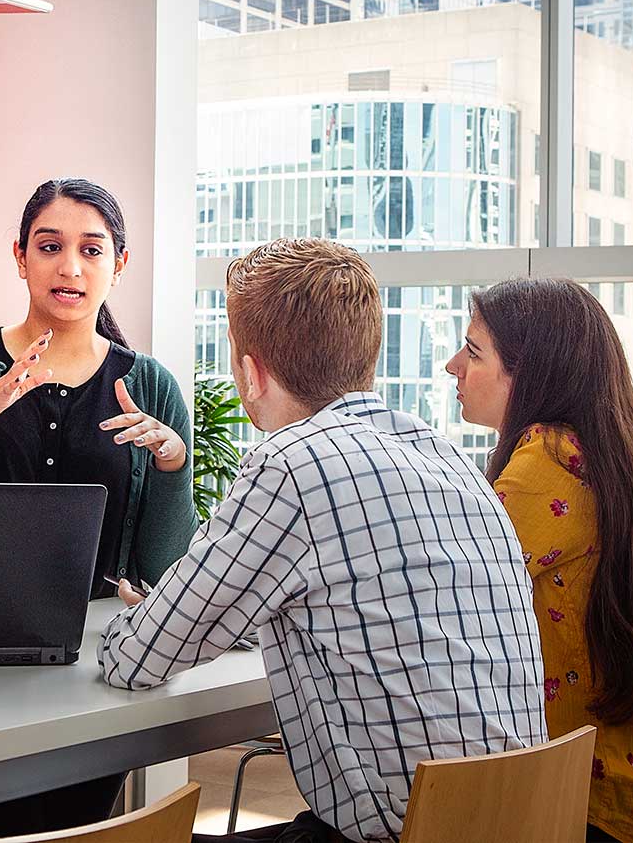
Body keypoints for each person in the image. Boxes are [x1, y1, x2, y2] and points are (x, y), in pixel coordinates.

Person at [101, 237, 547, 843]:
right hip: (515, 823)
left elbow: (137, 658)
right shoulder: (448, 458)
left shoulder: (290, 464)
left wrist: (152, 616)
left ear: (252, 372)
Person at [0, 178, 198, 835]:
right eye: (50, 246)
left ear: (119, 263)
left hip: (95, 673)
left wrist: (173, 467)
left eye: (91, 250)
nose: (69, 267)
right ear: (20, 256)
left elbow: (164, 574)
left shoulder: (150, 386)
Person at [444, 277, 633, 843]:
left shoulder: (550, 461)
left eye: (474, 351)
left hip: (591, 812)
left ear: (531, 373)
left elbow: (450, 590)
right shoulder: (624, 454)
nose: (452, 365)